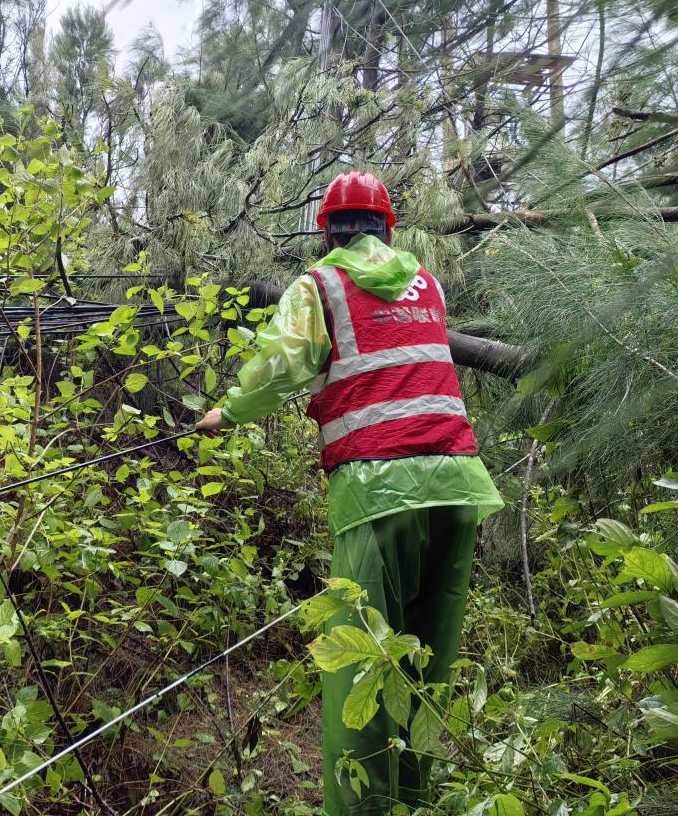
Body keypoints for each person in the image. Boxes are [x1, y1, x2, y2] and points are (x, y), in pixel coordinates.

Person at [196, 170, 503, 815]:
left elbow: (280, 363)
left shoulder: (321, 284)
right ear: (387, 227)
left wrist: (229, 411)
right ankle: (419, 802)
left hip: (378, 491)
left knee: (363, 665)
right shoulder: (429, 283)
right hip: (458, 486)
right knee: (428, 663)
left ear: (326, 229)